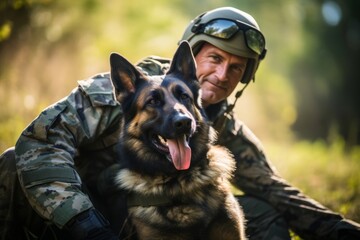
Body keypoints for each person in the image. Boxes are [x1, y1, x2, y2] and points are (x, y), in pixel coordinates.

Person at [1, 6, 360, 240]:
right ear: (190, 56)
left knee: (265, 214)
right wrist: (84, 225)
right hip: (83, 212)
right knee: (15, 162)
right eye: (215, 58)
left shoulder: (223, 125)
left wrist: (344, 232)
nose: (222, 75)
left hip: (152, 221)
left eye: (236, 68)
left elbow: (279, 192)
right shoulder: (123, 90)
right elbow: (40, 142)